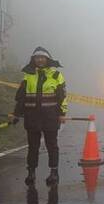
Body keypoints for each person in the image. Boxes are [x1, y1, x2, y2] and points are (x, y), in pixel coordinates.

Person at [12, 47, 68, 186]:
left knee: (52, 146)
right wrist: (16, 114)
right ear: (34, 59)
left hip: (51, 116)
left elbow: (62, 96)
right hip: (32, 116)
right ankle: (31, 173)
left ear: (47, 59)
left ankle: (54, 172)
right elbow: (21, 97)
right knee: (32, 146)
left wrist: (62, 113)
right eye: (37, 57)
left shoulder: (56, 75)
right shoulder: (28, 75)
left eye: (42, 57)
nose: (40, 60)